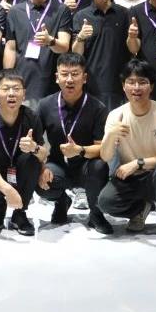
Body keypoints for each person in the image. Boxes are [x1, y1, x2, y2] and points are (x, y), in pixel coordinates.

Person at [97, 60, 156, 241]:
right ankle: (139, 209)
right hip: (130, 177)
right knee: (106, 202)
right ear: (123, 86)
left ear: (151, 86)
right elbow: (105, 156)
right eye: (131, 82)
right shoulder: (115, 115)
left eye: (142, 82)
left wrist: (139, 163)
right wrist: (111, 135)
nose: (136, 87)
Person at [34, 54, 112, 234]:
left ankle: (96, 214)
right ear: (57, 77)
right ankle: (61, 202)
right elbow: (37, 142)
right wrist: (41, 166)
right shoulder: (45, 105)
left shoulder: (97, 108)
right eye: (64, 74)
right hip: (57, 165)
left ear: (84, 78)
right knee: (39, 177)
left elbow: (101, 148)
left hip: (86, 165)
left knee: (100, 166)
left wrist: (79, 150)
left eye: (75, 74)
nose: (69, 79)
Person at [0, 70, 45, 236]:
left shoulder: (32, 117)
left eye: (16, 89)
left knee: (32, 160)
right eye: (6, 89)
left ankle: (20, 214)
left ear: (24, 94)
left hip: (21, 173)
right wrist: (8, 190)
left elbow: (42, 155)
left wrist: (34, 147)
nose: (11, 93)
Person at [4, 0, 72, 105]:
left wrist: (50, 41)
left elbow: (65, 46)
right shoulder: (15, 11)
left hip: (51, 83)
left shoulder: (62, 10)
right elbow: (10, 48)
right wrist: (8, 79)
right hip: (22, 82)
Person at [72, 0, 132, 103]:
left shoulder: (125, 13)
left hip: (121, 84)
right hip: (92, 85)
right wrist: (81, 37)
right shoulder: (81, 16)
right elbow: (76, 54)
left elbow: (133, 48)